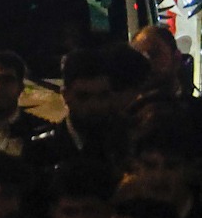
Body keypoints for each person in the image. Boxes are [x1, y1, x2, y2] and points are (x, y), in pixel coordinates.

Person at [26, 45, 151, 175]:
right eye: (83, 97)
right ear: (65, 95)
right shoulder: (40, 150)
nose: (94, 105)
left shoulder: (133, 141)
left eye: (103, 96)